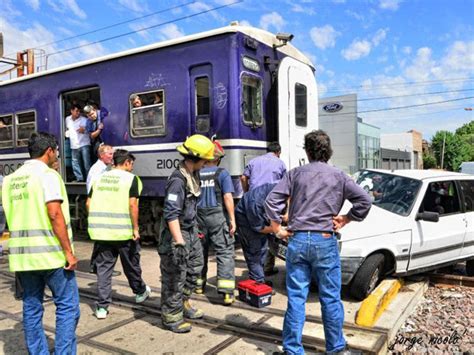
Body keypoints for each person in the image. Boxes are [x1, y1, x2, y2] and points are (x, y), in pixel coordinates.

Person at [265, 130, 372, 354]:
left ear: (307, 151)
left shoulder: (294, 174)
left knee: (296, 297)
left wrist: (277, 229)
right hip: (325, 240)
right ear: (328, 151)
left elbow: (272, 200)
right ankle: (336, 349)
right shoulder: (339, 176)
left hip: (298, 239)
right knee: (331, 297)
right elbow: (364, 200)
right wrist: (347, 218)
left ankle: (293, 349)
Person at [2, 132, 80, 354]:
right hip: (52, 255)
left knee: (32, 306)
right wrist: (69, 253)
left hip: (23, 258)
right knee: (67, 307)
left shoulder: (10, 179)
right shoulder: (48, 176)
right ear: (49, 151)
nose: (57, 155)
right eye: (56, 151)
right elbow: (55, 214)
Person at [158, 134, 214, 333]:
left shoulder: (193, 175)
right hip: (177, 233)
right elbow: (171, 214)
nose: (207, 163)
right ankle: (171, 316)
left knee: (195, 267)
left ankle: (184, 302)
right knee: (175, 274)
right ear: (196, 158)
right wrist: (179, 242)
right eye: (205, 160)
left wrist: (195, 232)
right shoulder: (177, 180)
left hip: (190, 230)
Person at [87, 149, 151, 319]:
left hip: (101, 233)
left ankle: (102, 308)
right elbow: (133, 206)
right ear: (127, 162)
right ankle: (140, 292)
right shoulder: (132, 179)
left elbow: (88, 203)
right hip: (123, 232)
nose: (132, 168)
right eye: (132, 164)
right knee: (131, 265)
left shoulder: (98, 178)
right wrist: (135, 228)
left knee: (104, 270)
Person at [196, 140, 236, 305]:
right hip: (217, 217)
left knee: (199, 251)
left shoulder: (196, 173)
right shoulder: (222, 173)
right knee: (224, 251)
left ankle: (198, 285)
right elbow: (227, 197)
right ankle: (226, 293)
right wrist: (232, 219)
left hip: (199, 217)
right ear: (218, 159)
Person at [240, 141, 287, 277]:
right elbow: (285, 184)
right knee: (271, 232)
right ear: (278, 152)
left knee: (258, 232)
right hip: (271, 200)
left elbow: (243, 178)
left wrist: (247, 192)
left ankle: (260, 267)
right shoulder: (280, 163)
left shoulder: (254, 161)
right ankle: (267, 267)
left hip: (253, 201)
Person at [86, 144, 120, 277]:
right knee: (101, 239)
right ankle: (97, 266)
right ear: (101, 155)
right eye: (110, 154)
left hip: (100, 205)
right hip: (98, 205)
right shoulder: (98, 170)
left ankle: (95, 266)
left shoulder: (103, 168)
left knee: (100, 239)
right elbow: (94, 189)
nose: (112, 156)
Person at [235, 183, 277, 284]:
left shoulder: (278, 190)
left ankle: (259, 278)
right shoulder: (256, 203)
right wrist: (277, 229)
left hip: (256, 215)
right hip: (246, 223)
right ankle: (258, 283)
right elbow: (260, 228)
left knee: (262, 249)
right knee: (254, 252)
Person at [65, 104, 91, 182]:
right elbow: (67, 129)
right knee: (75, 163)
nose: (78, 113)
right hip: (74, 145)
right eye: (76, 111)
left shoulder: (84, 120)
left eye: (79, 111)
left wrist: (84, 130)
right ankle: (79, 179)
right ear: (71, 111)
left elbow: (89, 130)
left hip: (84, 144)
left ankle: (89, 179)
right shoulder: (67, 119)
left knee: (86, 164)